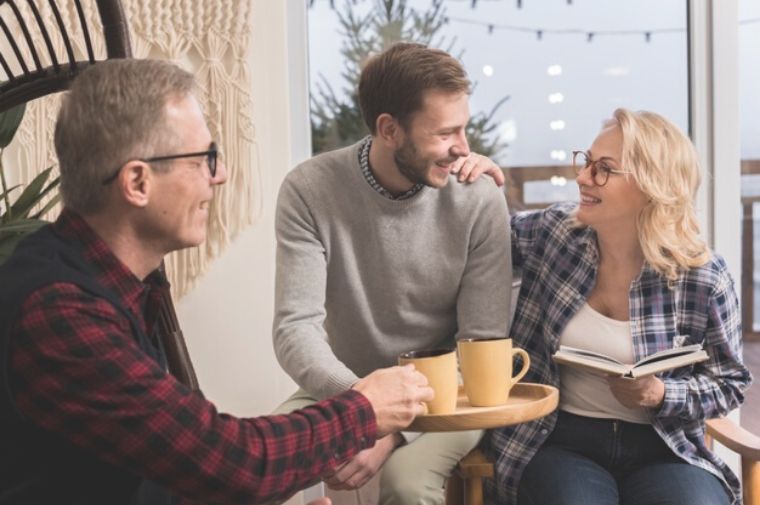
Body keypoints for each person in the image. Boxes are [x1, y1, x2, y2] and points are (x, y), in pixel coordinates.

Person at [0, 58, 435, 505]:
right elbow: (235, 462)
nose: (220, 174)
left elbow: (158, 467)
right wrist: (364, 410)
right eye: (204, 158)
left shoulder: (110, 286)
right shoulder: (60, 313)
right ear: (137, 182)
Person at [272, 42, 512, 504]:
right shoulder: (309, 189)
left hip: (453, 396)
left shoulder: (477, 197)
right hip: (348, 385)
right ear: (389, 130)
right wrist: (365, 409)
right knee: (264, 472)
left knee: (405, 485)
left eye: (463, 128)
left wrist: (390, 431)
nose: (463, 148)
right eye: (446, 133)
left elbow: (481, 340)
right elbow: (294, 330)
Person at [480, 108, 752, 505]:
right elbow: (477, 238)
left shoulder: (703, 276)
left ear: (651, 186)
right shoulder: (554, 234)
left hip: (665, 447)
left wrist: (660, 394)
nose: (583, 177)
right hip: (560, 440)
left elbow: (730, 383)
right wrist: (477, 181)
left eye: (603, 169)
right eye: (586, 161)